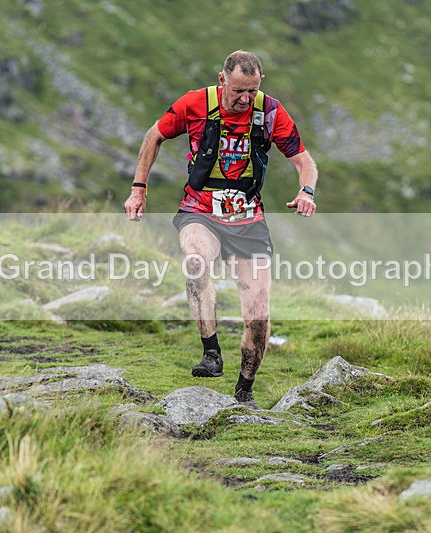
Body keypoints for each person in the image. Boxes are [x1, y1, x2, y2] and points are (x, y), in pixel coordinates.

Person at [124, 50, 318, 404]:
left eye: (252, 91)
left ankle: (245, 390)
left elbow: (303, 160)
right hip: (200, 209)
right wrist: (139, 188)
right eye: (238, 90)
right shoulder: (195, 103)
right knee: (196, 261)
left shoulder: (270, 112)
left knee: (258, 315)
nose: (245, 99)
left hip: (247, 217)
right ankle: (211, 352)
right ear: (222, 80)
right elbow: (154, 135)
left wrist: (306, 190)